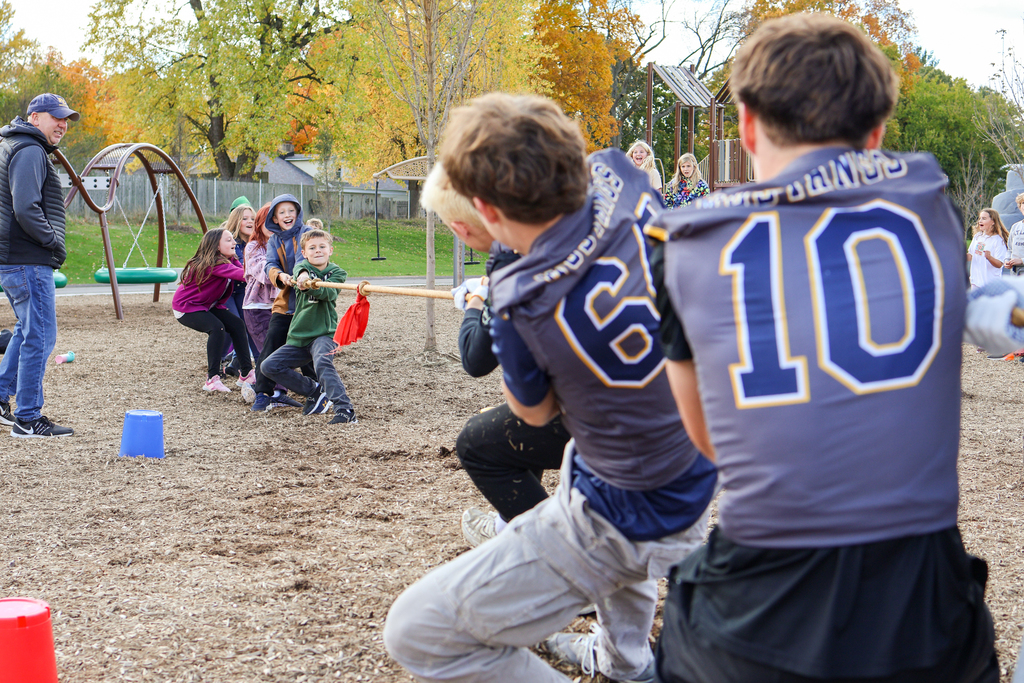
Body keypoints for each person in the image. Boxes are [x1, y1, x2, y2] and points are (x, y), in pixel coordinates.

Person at [648, 14, 997, 682]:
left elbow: (711, 438)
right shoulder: (934, 207)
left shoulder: (682, 246)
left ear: (747, 126)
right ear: (876, 133)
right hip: (923, 616)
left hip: (754, 618)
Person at [384, 93, 717, 683]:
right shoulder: (623, 174)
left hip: (620, 511)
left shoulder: (519, 298)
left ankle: (626, 657)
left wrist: (488, 307)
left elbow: (532, 413)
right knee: (583, 458)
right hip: (691, 461)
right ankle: (627, 665)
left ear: (484, 207)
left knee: (417, 630)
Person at [420, 163, 571, 547]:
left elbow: (475, 359)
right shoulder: (559, 224)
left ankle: (558, 550)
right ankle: (509, 525)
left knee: (477, 442)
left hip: (594, 408)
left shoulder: (508, 260)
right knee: (514, 424)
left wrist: (476, 302)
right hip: (643, 387)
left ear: (460, 228)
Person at [0, 93, 79, 437]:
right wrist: (52, 242)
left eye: (65, 119)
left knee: (26, 330)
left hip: (17, 259)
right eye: (55, 117)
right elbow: (26, 208)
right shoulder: (30, 149)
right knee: (41, 336)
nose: (62, 124)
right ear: (34, 117)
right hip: (27, 259)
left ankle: (1, 395)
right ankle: (28, 418)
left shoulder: (15, 145)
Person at [260, 228, 357, 424]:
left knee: (322, 363)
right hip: (300, 336)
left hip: (324, 334)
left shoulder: (337, 273)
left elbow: (329, 294)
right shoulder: (301, 268)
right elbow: (300, 269)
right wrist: (303, 278)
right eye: (312, 248)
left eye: (322, 247)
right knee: (268, 366)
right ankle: (314, 390)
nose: (318, 250)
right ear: (304, 253)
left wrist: (313, 284)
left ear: (331, 250)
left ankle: (345, 409)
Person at [171, 228, 255, 393]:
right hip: (186, 307)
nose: (234, 243)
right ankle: (212, 379)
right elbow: (243, 275)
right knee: (217, 328)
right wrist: (268, 271)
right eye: (229, 240)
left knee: (237, 324)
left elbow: (242, 269)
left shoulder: (229, 260)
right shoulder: (213, 264)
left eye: (233, 239)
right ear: (217, 246)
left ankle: (246, 373)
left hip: (207, 305)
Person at [250, 194, 312, 413]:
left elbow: (307, 258)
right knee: (271, 344)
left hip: (308, 301)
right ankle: (262, 393)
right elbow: (270, 265)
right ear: (275, 218)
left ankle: (318, 391)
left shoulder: (307, 233)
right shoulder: (274, 240)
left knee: (307, 347)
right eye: (282, 212)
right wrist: (280, 276)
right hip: (285, 301)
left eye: (291, 211)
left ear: (298, 213)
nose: (287, 215)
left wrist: (302, 273)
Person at [222, 203, 259, 377]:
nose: (249, 221)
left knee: (250, 325)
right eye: (245, 218)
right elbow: (235, 270)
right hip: (227, 291)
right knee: (236, 323)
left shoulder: (255, 243)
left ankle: (253, 364)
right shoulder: (230, 243)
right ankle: (225, 362)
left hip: (244, 291)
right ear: (237, 221)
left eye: (252, 218)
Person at [242, 203, 277, 355]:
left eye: (275, 222)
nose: (271, 225)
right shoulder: (253, 247)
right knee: (268, 353)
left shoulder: (286, 246)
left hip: (280, 308)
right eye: (266, 221)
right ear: (259, 223)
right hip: (258, 307)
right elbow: (265, 272)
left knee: (283, 352)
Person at [967, 208, 1008, 289]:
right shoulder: (977, 236)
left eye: (984, 218)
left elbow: (999, 264)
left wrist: (989, 257)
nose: (980, 221)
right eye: (980, 218)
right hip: (975, 282)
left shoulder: (998, 240)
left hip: (990, 285)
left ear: (993, 222)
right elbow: (971, 255)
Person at [1003, 193, 1024, 274]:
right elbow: (1010, 249)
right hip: (1015, 272)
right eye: (1023, 203)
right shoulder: (1015, 227)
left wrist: (1021, 260)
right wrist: (1007, 260)